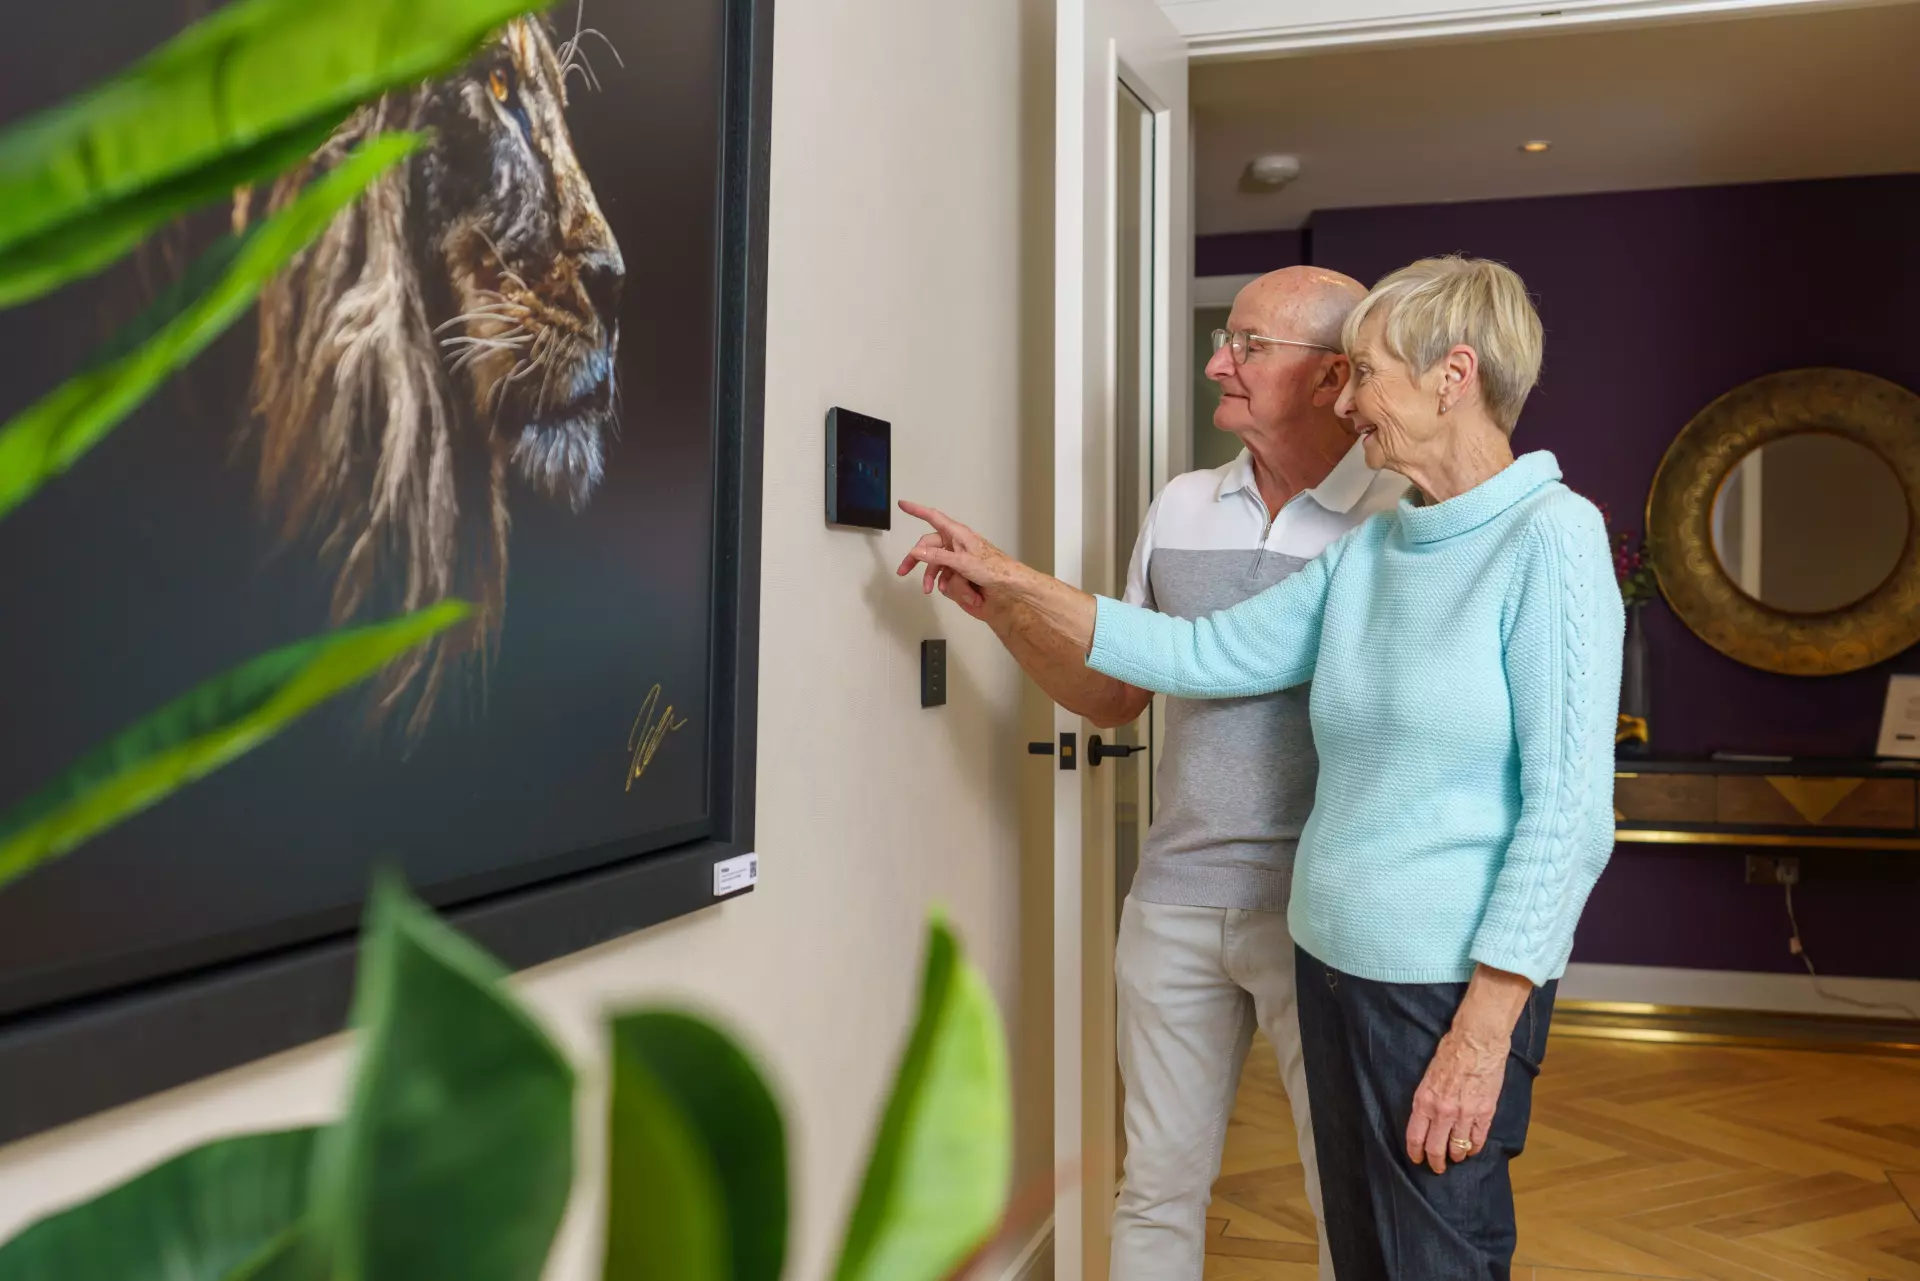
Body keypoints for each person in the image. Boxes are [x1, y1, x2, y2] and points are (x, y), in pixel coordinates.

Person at [898, 256, 1620, 1281]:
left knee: (1432, 1254)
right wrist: (1009, 587)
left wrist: (1484, 1030)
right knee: (1369, 1246)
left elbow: (1568, 817)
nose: (1349, 397)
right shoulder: (1380, 551)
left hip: (1439, 983)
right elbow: (1199, 654)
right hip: (1330, 960)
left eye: (1364, 373)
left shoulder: (1551, 537)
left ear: (1452, 375)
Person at [900, 265, 1403, 1280]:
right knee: (1156, 1186)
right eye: (1228, 338)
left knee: (1348, 1193)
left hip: (1325, 916)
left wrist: (1029, 583)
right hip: (1174, 898)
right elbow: (1116, 692)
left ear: (1331, 375)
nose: (1218, 361)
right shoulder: (1182, 503)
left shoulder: (1397, 512)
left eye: (1249, 346)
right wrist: (1007, 616)